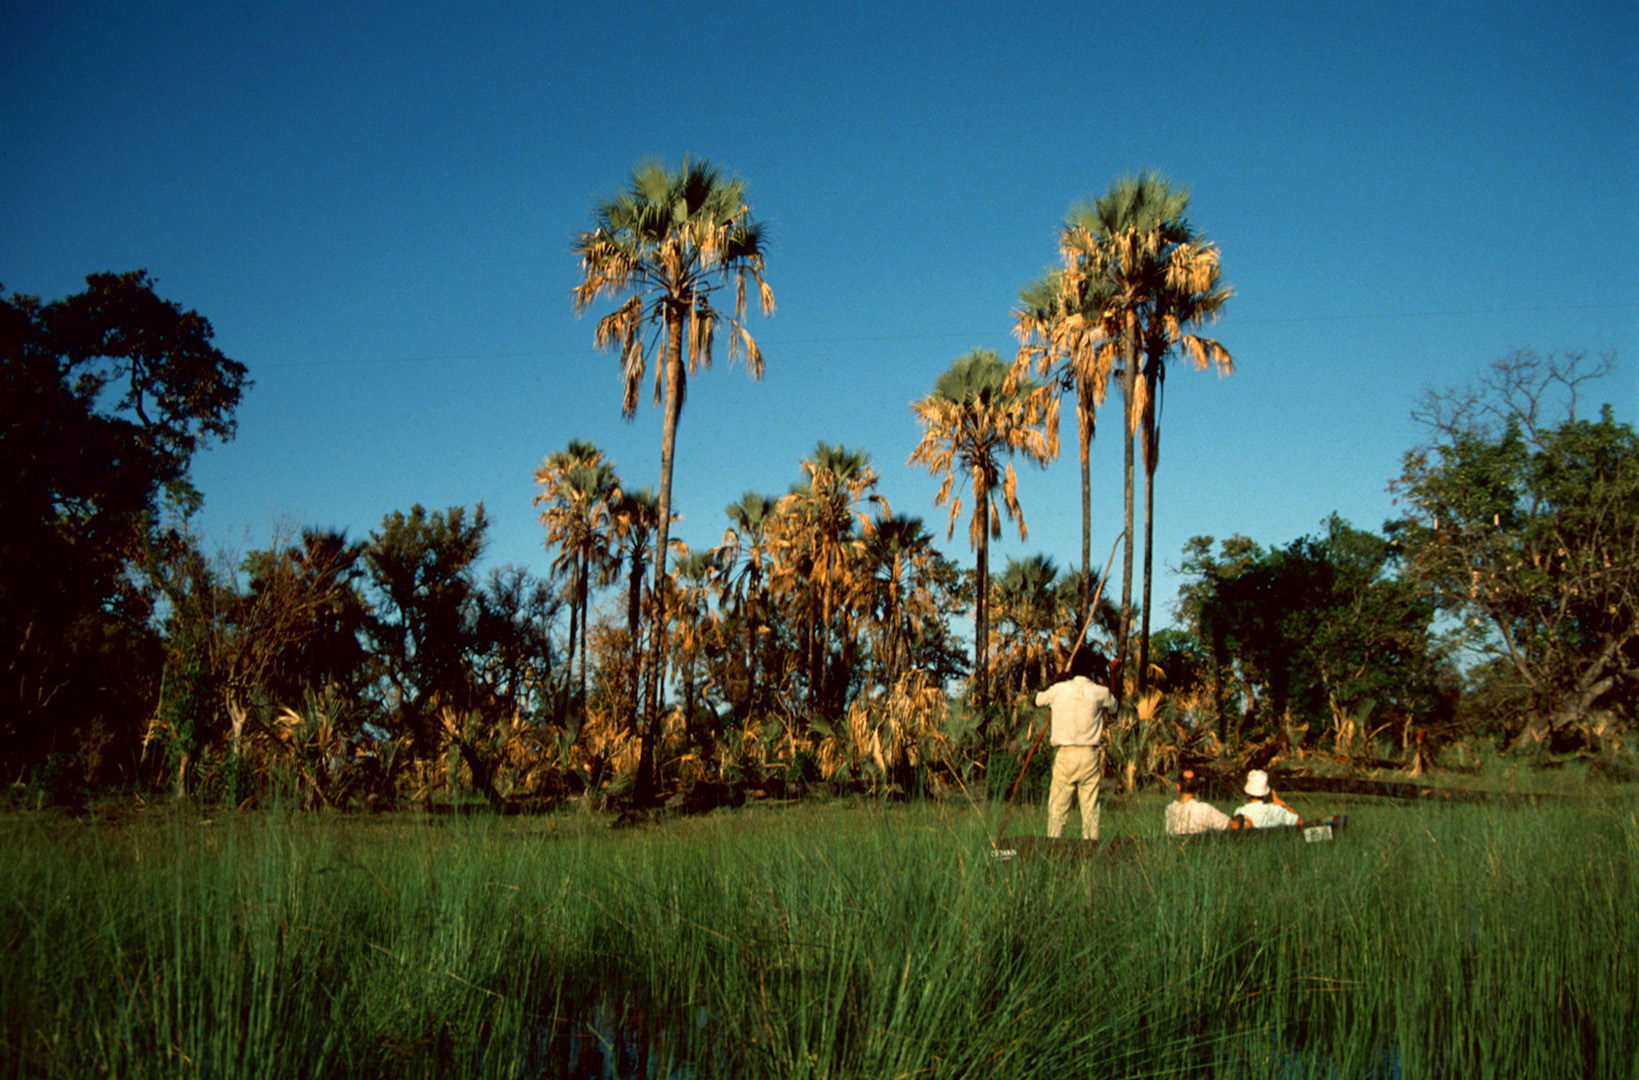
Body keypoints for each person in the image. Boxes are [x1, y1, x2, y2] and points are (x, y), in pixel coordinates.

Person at [1035, 649, 1117, 840]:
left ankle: (1054, 848)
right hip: (1089, 755)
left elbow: (1037, 699)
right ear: (1091, 670)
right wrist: (1113, 673)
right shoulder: (1099, 692)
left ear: (1072, 668)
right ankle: (1090, 854)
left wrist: (1058, 678)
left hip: (1065, 754)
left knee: (1058, 810)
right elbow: (1114, 706)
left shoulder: (1059, 689)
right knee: (1091, 811)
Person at [1164, 769, 1243, 835]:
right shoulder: (1204, 809)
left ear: (1178, 787)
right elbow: (1232, 826)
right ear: (1197, 787)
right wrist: (1240, 818)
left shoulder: (1169, 809)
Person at [1234, 769, 1302, 828]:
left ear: (1248, 792)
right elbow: (1300, 821)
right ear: (1266, 792)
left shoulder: (1239, 812)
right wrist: (1284, 804)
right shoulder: (1276, 810)